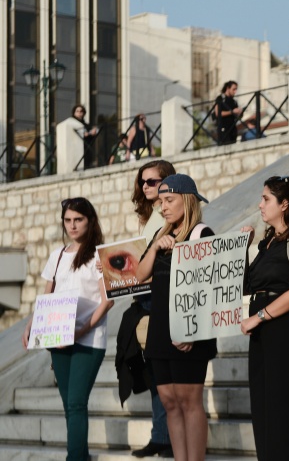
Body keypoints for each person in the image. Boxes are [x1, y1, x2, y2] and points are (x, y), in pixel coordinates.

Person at [21, 197, 113, 461]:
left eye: (78, 220)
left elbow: (108, 301)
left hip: (89, 338)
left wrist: (82, 329)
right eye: (68, 220)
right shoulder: (57, 256)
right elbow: (46, 297)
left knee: (75, 402)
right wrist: (31, 326)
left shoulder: (99, 255)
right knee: (69, 405)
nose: (72, 226)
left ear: (90, 220)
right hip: (57, 337)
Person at [136, 174, 216, 461]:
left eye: (169, 200)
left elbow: (211, 290)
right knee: (170, 402)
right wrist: (157, 246)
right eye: (161, 202)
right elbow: (139, 275)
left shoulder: (202, 234)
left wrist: (192, 332)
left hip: (189, 330)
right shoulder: (161, 236)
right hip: (160, 328)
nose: (163, 207)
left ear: (187, 200)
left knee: (189, 401)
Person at [240, 176, 289, 460]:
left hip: (286, 331)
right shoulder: (267, 243)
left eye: (266, 199)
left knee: (285, 409)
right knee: (263, 408)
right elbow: (247, 286)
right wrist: (243, 249)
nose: (260, 205)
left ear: (284, 204)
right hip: (262, 335)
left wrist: (259, 316)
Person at [125, 160, 177, 458]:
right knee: (154, 372)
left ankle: (167, 436)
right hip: (144, 296)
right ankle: (160, 434)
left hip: (160, 296)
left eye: (152, 181)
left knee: (164, 374)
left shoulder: (168, 212)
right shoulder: (148, 216)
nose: (146, 186)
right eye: (142, 181)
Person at [213, 81, 242, 145]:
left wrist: (239, 112)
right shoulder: (220, 98)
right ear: (228, 88)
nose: (235, 91)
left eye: (236, 89)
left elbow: (236, 115)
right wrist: (232, 112)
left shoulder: (234, 101)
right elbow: (217, 113)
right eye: (233, 89)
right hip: (223, 129)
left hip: (232, 129)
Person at [72, 104, 99, 169]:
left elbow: (95, 131)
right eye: (77, 111)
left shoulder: (86, 124)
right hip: (76, 150)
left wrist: (93, 132)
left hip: (87, 149)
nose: (79, 113)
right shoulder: (72, 123)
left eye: (81, 112)